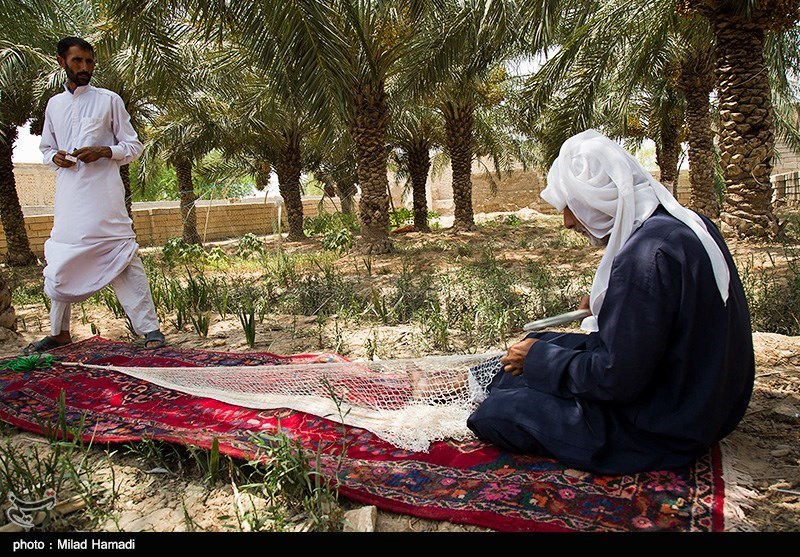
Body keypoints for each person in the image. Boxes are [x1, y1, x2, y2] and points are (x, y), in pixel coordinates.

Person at [467, 129, 755, 475]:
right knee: (537, 345)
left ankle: (506, 390)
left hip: (665, 423)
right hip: (705, 397)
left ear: (599, 199)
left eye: (573, 207)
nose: (568, 221)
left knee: (495, 413)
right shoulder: (686, 224)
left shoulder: (645, 257)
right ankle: (508, 375)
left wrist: (538, 361)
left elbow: (615, 379)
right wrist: (615, 303)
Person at [24, 37, 165, 354]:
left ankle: (150, 329)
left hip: (105, 199)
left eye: (89, 61)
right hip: (70, 201)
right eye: (77, 61)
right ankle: (59, 334)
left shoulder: (109, 100)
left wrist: (105, 151)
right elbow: (46, 148)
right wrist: (54, 158)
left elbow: (133, 147)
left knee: (124, 258)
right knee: (61, 261)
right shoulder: (55, 105)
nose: (85, 68)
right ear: (62, 62)